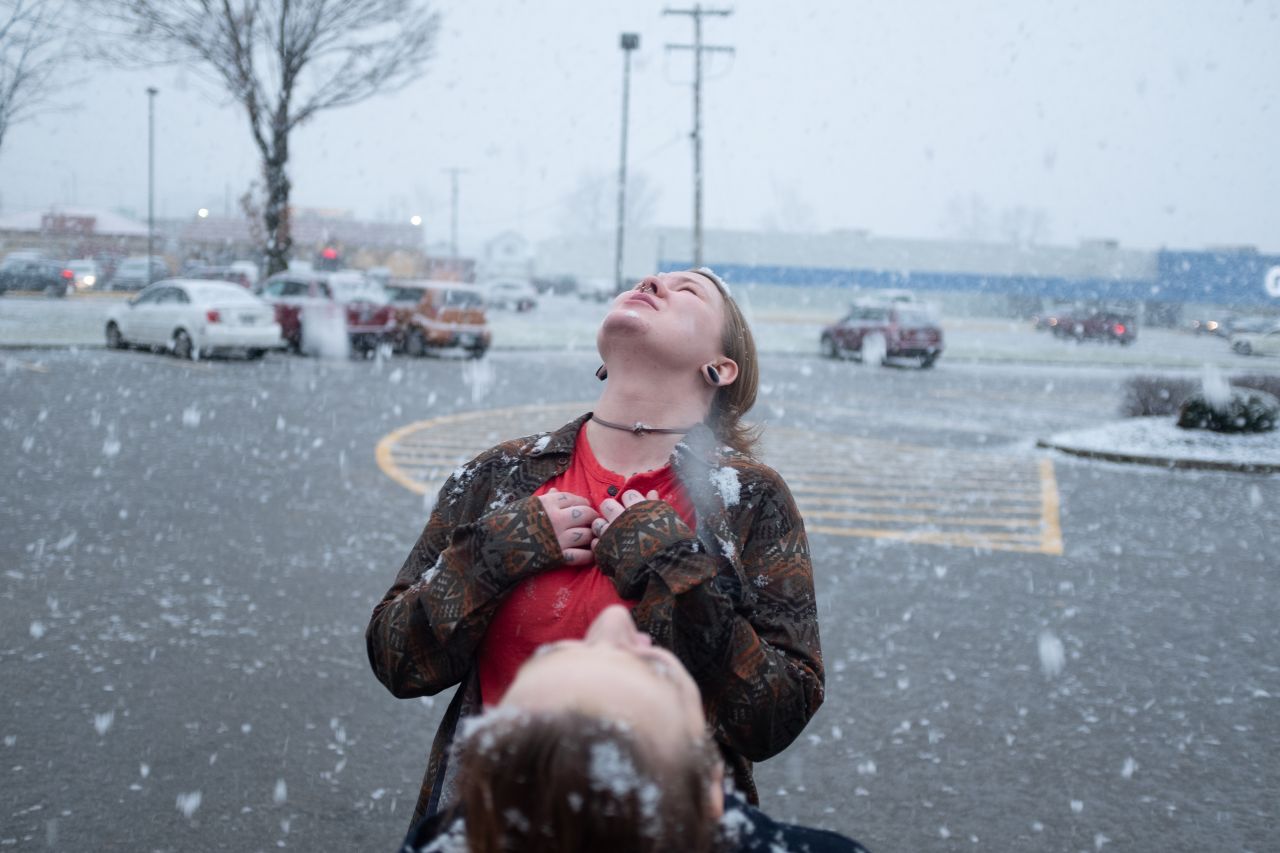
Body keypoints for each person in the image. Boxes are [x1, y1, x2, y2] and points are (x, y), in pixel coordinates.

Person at [367, 267, 824, 828]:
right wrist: (493, 553)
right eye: (648, 281)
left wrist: (673, 571)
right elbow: (397, 660)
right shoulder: (498, 475)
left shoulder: (749, 498)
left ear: (721, 367)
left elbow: (775, 716)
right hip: (489, 826)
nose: (653, 282)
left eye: (687, 291)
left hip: (667, 831)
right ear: (603, 356)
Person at [400, 605, 867, 853]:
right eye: (651, 666)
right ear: (709, 786)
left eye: (562, 652)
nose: (612, 619)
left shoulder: (445, 837)